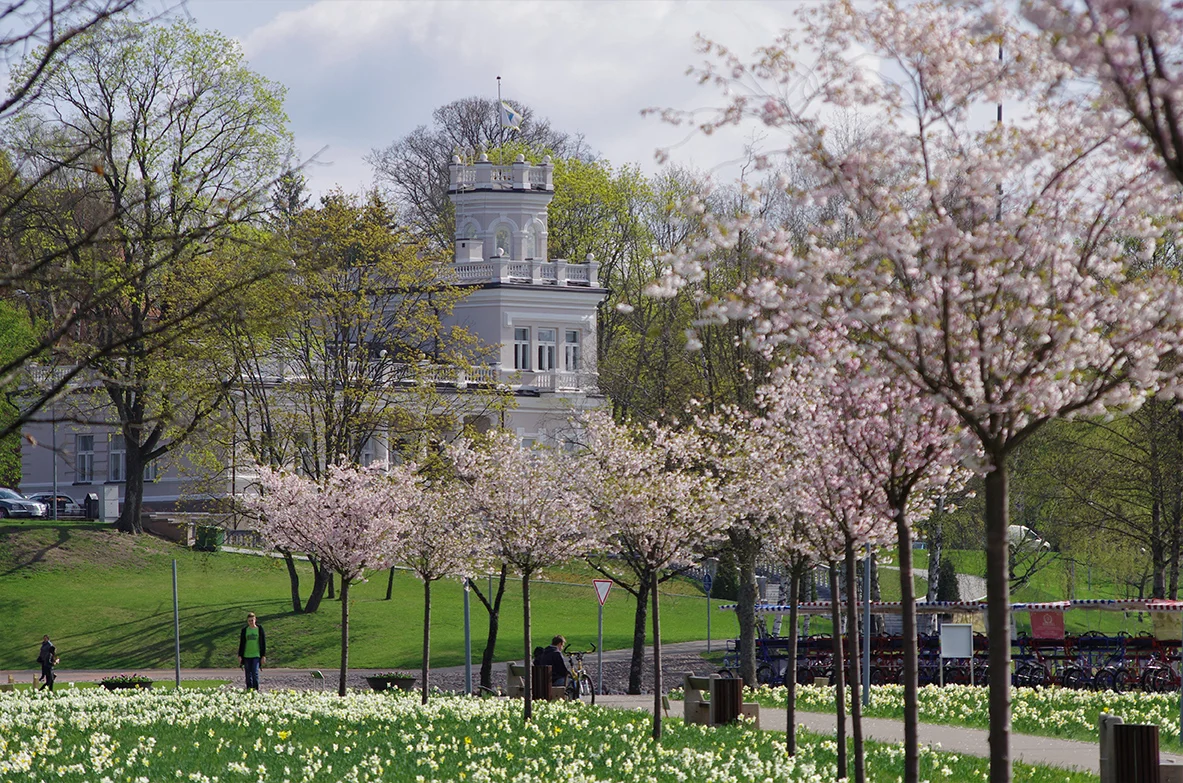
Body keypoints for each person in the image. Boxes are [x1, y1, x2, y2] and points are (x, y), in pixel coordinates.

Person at [237, 612, 266, 691]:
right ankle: (249, 689)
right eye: (249, 620)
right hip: (246, 655)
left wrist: (263, 655)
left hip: (256, 655)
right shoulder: (245, 630)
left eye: (252, 620)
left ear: (255, 620)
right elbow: (242, 643)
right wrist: (240, 655)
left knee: (254, 673)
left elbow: (263, 643)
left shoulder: (259, 629)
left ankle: (256, 690)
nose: (251, 622)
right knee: (248, 674)